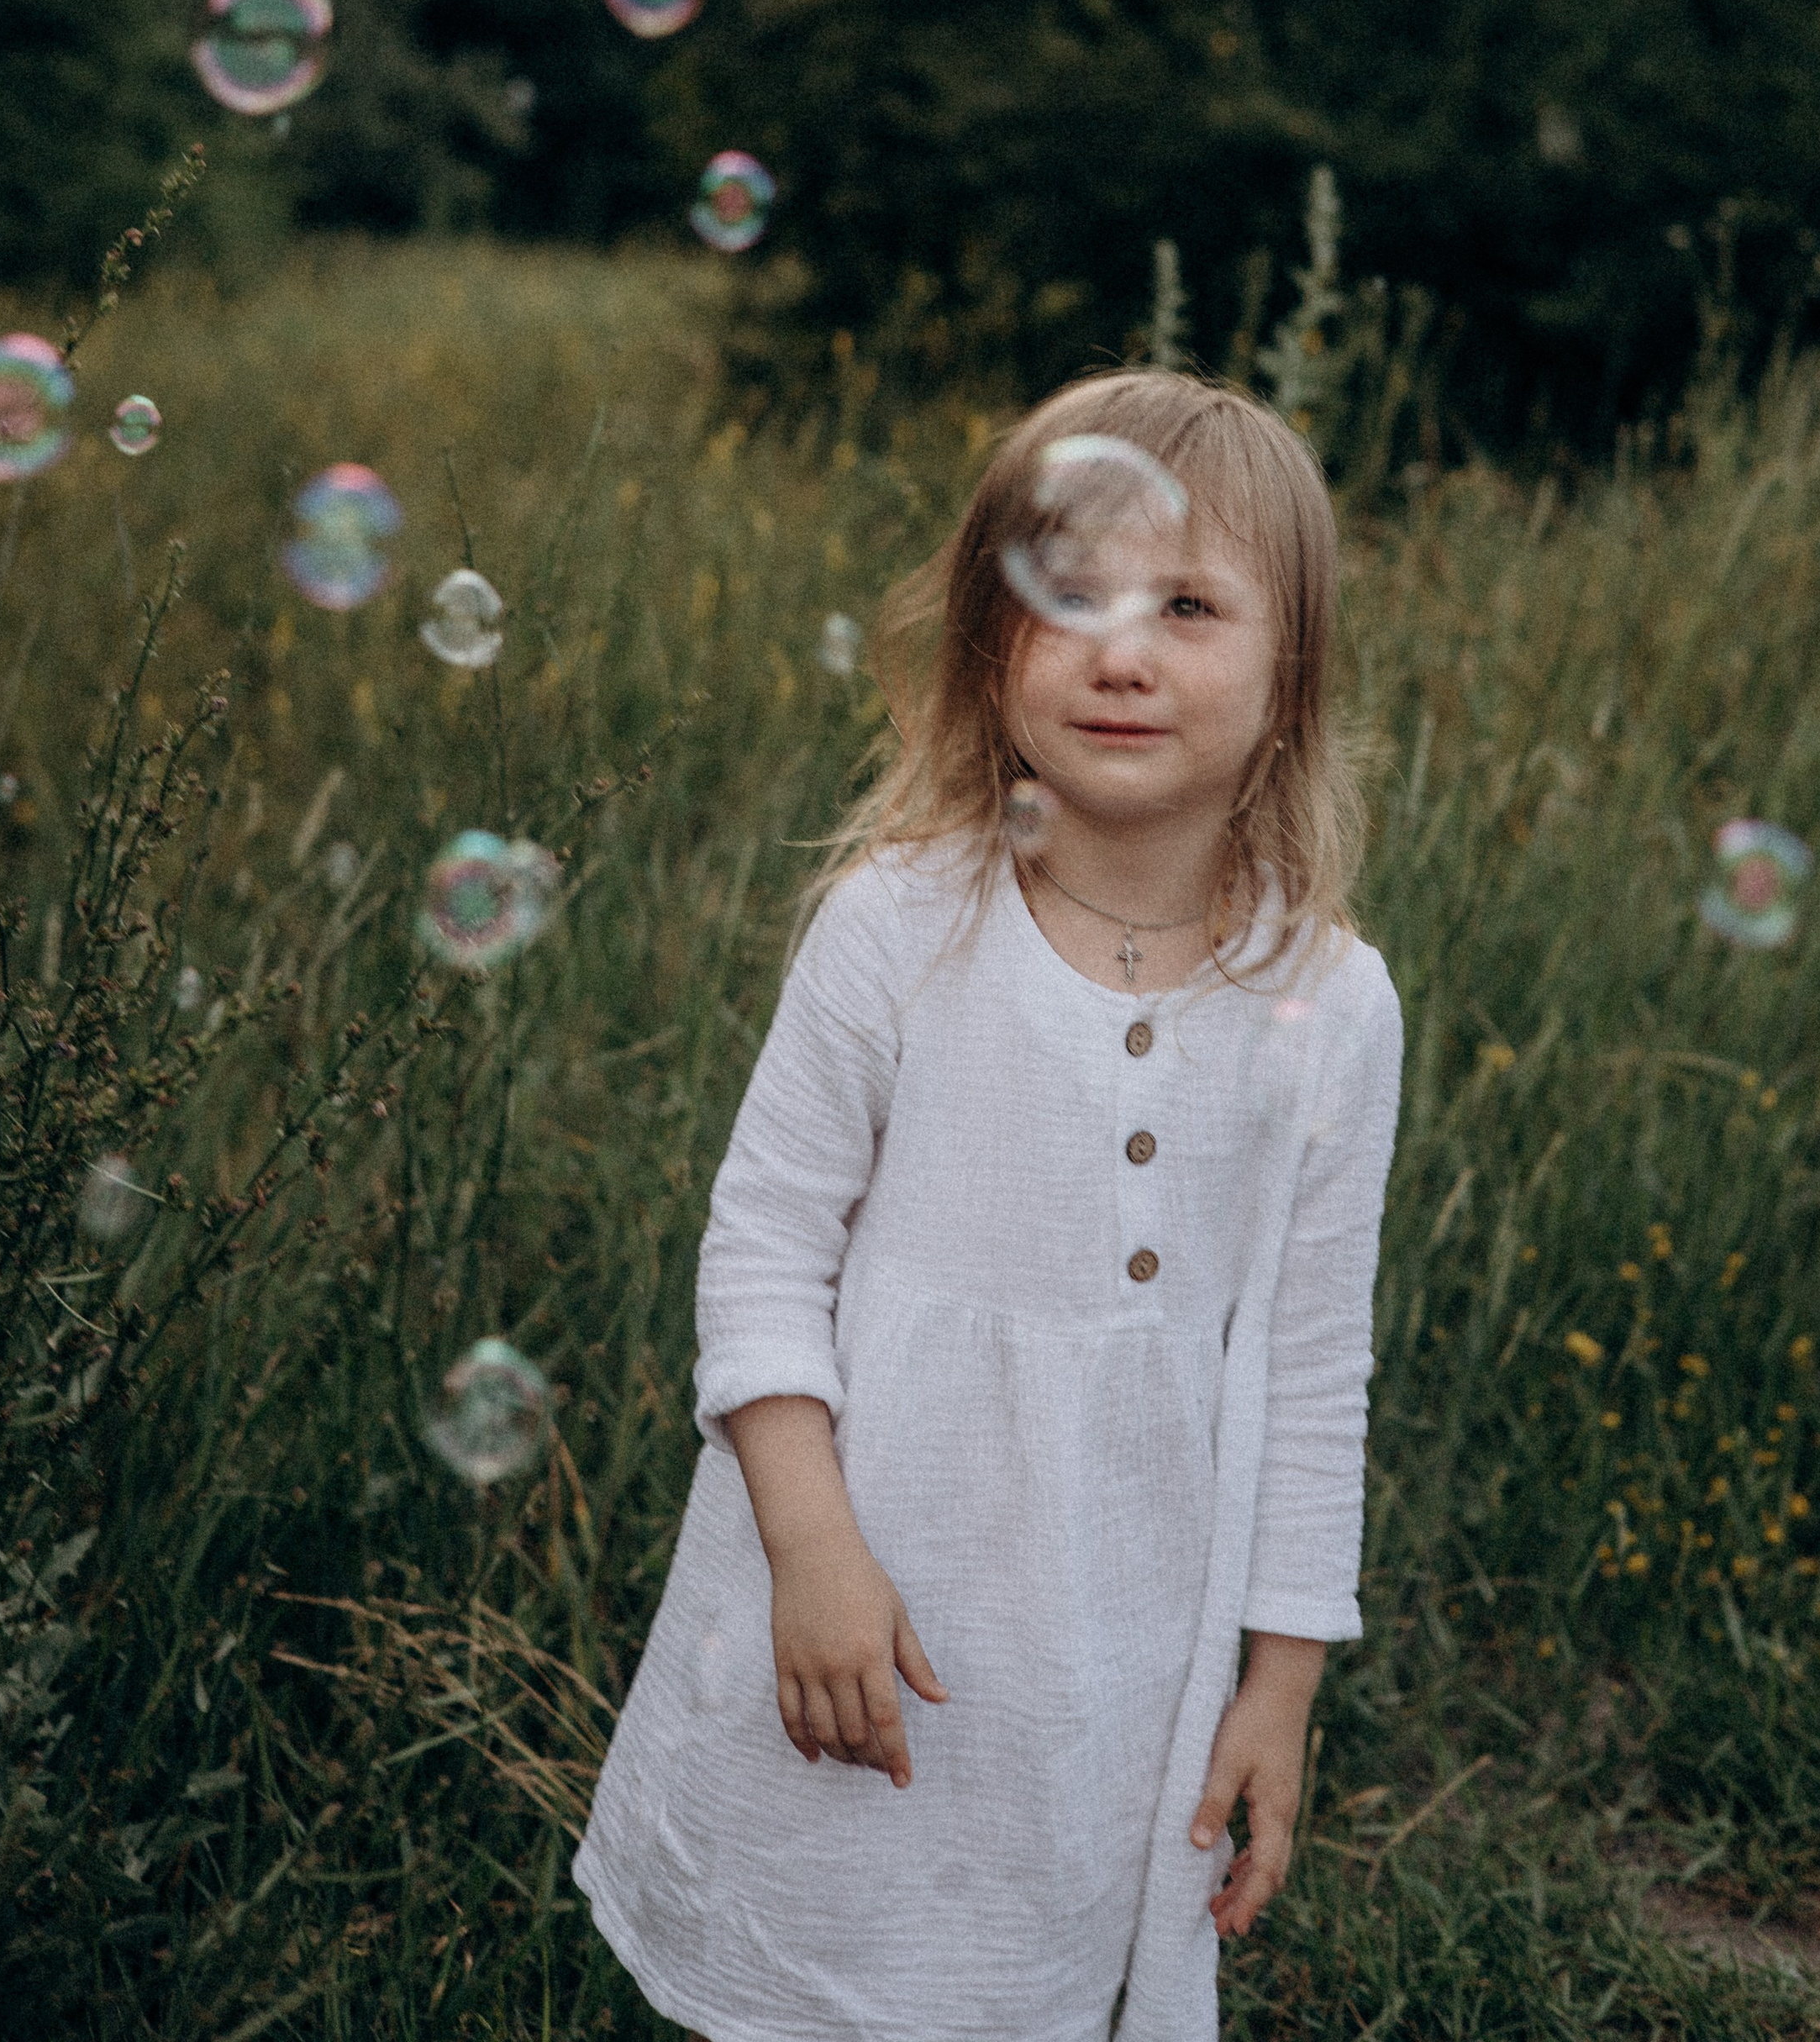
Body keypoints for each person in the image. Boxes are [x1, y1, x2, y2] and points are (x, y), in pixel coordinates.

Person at [573, 370, 1405, 2042]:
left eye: (1188, 606)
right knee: (819, 1938)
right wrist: (810, 1548)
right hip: (864, 1573)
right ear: (985, 646)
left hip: (1113, 1634)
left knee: (1021, 1966)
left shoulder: (1332, 1001)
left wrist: (1281, 1688)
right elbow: (763, 1251)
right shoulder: (900, 926)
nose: (1120, 651)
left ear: (1290, 678)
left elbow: (1315, 1367)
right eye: (1067, 597)